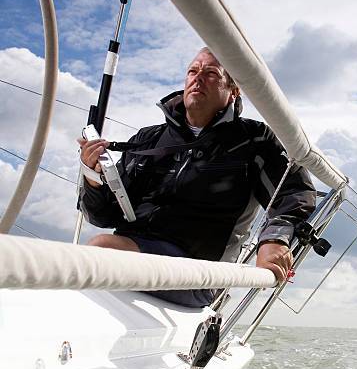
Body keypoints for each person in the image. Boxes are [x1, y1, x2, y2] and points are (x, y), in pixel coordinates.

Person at [78, 47, 316, 307]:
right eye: (193, 71)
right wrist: (94, 177)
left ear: (233, 91)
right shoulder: (148, 139)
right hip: (131, 252)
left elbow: (294, 192)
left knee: (100, 251)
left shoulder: (255, 139)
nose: (198, 77)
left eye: (211, 73)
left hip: (201, 272)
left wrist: (274, 239)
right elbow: (104, 217)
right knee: (86, 259)